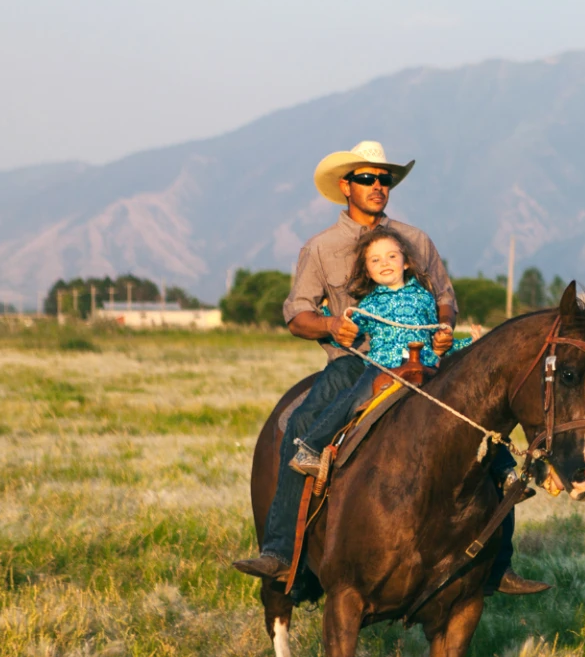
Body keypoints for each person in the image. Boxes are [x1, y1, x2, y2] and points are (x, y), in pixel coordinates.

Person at [232, 140, 546, 595]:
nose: (378, 186)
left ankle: (499, 564)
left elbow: (445, 298)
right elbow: (296, 314)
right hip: (354, 364)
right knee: (301, 425)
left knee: (485, 431)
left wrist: (444, 328)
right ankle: (283, 554)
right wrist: (329, 325)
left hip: (426, 362)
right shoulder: (320, 248)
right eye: (366, 178)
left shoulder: (416, 240)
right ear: (346, 186)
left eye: (384, 179)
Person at [284, 228, 443, 479]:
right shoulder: (369, 304)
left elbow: (433, 332)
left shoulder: (424, 297)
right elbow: (350, 329)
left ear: (406, 262)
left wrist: (455, 343)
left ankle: (503, 467)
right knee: (353, 399)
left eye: (392, 256)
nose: (385, 263)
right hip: (381, 366)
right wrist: (331, 321)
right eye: (375, 260)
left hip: (424, 364)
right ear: (367, 270)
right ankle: (310, 448)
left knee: (463, 400)